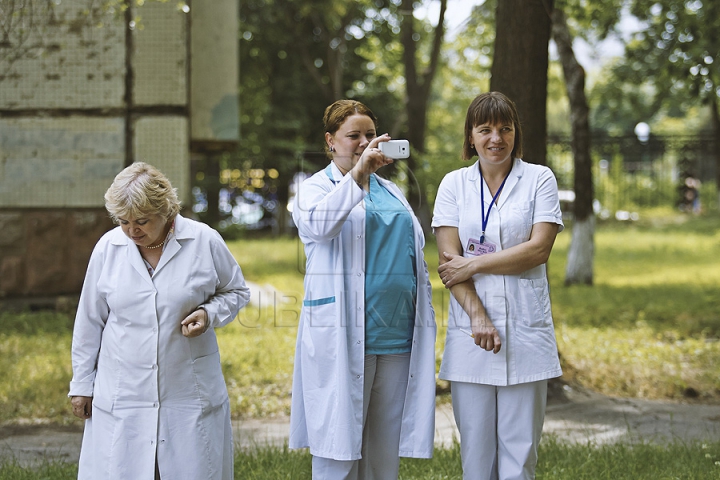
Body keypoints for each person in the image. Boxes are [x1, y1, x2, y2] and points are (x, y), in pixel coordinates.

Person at [69, 162, 250, 480]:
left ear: (166, 210)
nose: (131, 230)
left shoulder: (204, 241)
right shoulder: (108, 248)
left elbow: (236, 291)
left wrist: (209, 314)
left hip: (186, 391)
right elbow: (89, 321)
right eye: (123, 221)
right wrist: (82, 384)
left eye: (141, 221)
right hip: (123, 392)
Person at [289, 99, 437, 480]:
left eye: (370, 134)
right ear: (330, 141)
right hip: (345, 334)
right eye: (353, 135)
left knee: (384, 449)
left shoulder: (391, 191)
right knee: (339, 449)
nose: (364, 142)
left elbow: (413, 249)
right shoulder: (314, 189)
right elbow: (319, 227)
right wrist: (356, 175)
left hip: (398, 335)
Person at [432, 92, 564, 480]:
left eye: (505, 129)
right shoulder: (453, 185)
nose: (496, 138)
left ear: (515, 133)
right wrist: (478, 317)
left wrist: (472, 263)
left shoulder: (539, 178)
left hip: (525, 332)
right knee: (475, 453)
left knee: (520, 452)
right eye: (485, 129)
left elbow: (538, 249)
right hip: (472, 334)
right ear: (470, 136)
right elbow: (447, 264)